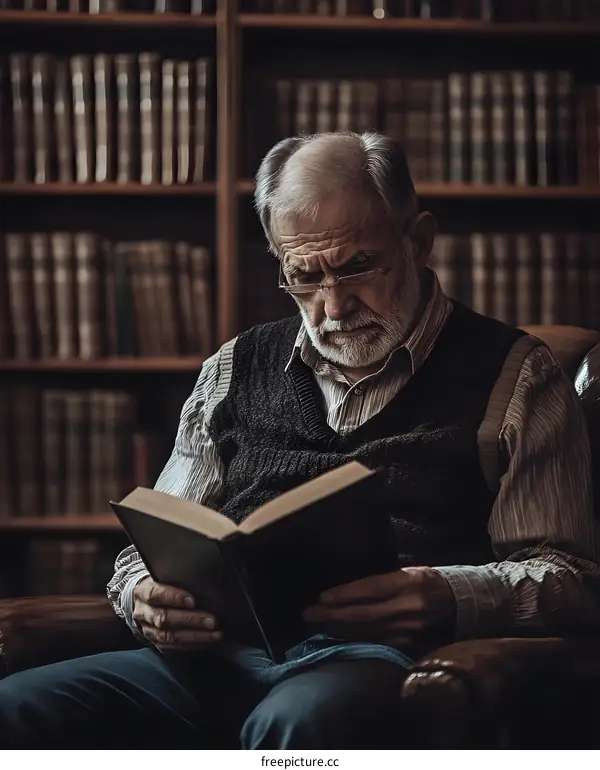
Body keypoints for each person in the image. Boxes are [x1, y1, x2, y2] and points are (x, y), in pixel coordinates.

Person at [1, 131, 599, 749]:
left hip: (372, 660)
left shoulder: (517, 374)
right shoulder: (232, 368)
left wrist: (446, 594)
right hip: (208, 659)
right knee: (16, 708)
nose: (333, 307)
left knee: (296, 727)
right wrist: (142, 596)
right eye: (304, 276)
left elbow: (573, 581)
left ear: (418, 241)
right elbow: (151, 540)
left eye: (357, 266)